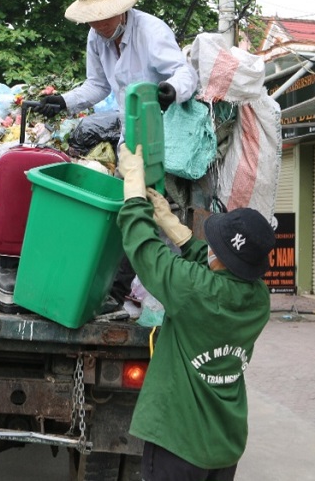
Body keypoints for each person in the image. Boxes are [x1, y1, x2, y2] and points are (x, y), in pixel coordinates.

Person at [116, 143, 276, 481]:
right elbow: (214, 264)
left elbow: (146, 252)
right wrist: (173, 225)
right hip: (224, 443)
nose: (210, 249)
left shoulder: (195, 291)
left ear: (220, 260)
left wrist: (132, 189)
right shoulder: (259, 299)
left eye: (214, 246)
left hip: (180, 442)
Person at [37, 0, 198, 133]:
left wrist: (173, 89)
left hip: (167, 129)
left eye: (106, 16)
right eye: (93, 19)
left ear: (120, 9)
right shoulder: (95, 36)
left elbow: (185, 72)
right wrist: (64, 101)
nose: (100, 25)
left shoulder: (151, 31)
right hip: (130, 129)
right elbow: (98, 84)